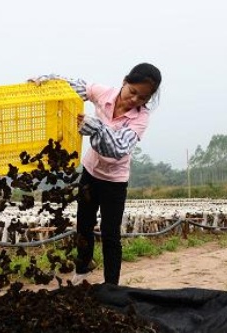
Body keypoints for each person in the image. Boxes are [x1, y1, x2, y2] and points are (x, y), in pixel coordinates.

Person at [30, 63, 162, 285]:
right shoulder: (104, 94)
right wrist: (45, 81)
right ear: (124, 82)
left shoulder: (140, 118)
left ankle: (111, 285)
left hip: (115, 182)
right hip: (90, 173)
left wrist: (98, 128)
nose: (134, 100)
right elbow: (73, 86)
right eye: (132, 92)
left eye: (142, 98)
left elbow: (119, 149)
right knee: (83, 224)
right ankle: (83, 268)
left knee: (111, 234)